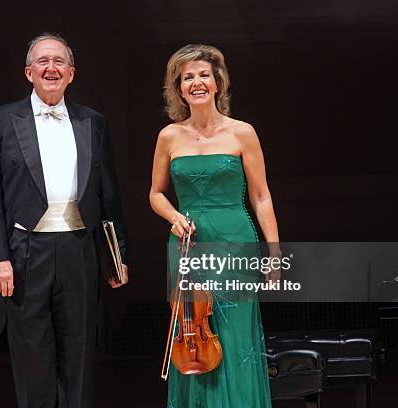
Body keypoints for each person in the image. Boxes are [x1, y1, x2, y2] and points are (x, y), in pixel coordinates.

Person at [0, 33, 129, 408]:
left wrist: (117, 254)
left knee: (78, 355)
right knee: (32, 356)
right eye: (43, 61)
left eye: (59, 61)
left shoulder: (93, 122)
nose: (51, 68)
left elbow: (109, 196)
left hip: (79, 248)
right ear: (29, 72)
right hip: (26, 252)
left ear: (72, 73)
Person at [149, 44, 279, 407]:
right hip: (188, 246)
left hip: (234, 241)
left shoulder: (242, 133)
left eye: (204, 75)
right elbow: (155, 194)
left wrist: (273, 250)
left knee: (235, 337)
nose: (197, 82)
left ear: (218, 82)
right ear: (178, 88)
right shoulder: (169, 136)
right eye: (188, 77)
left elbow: (261, 196)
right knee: (193, 339)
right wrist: (174, 216)